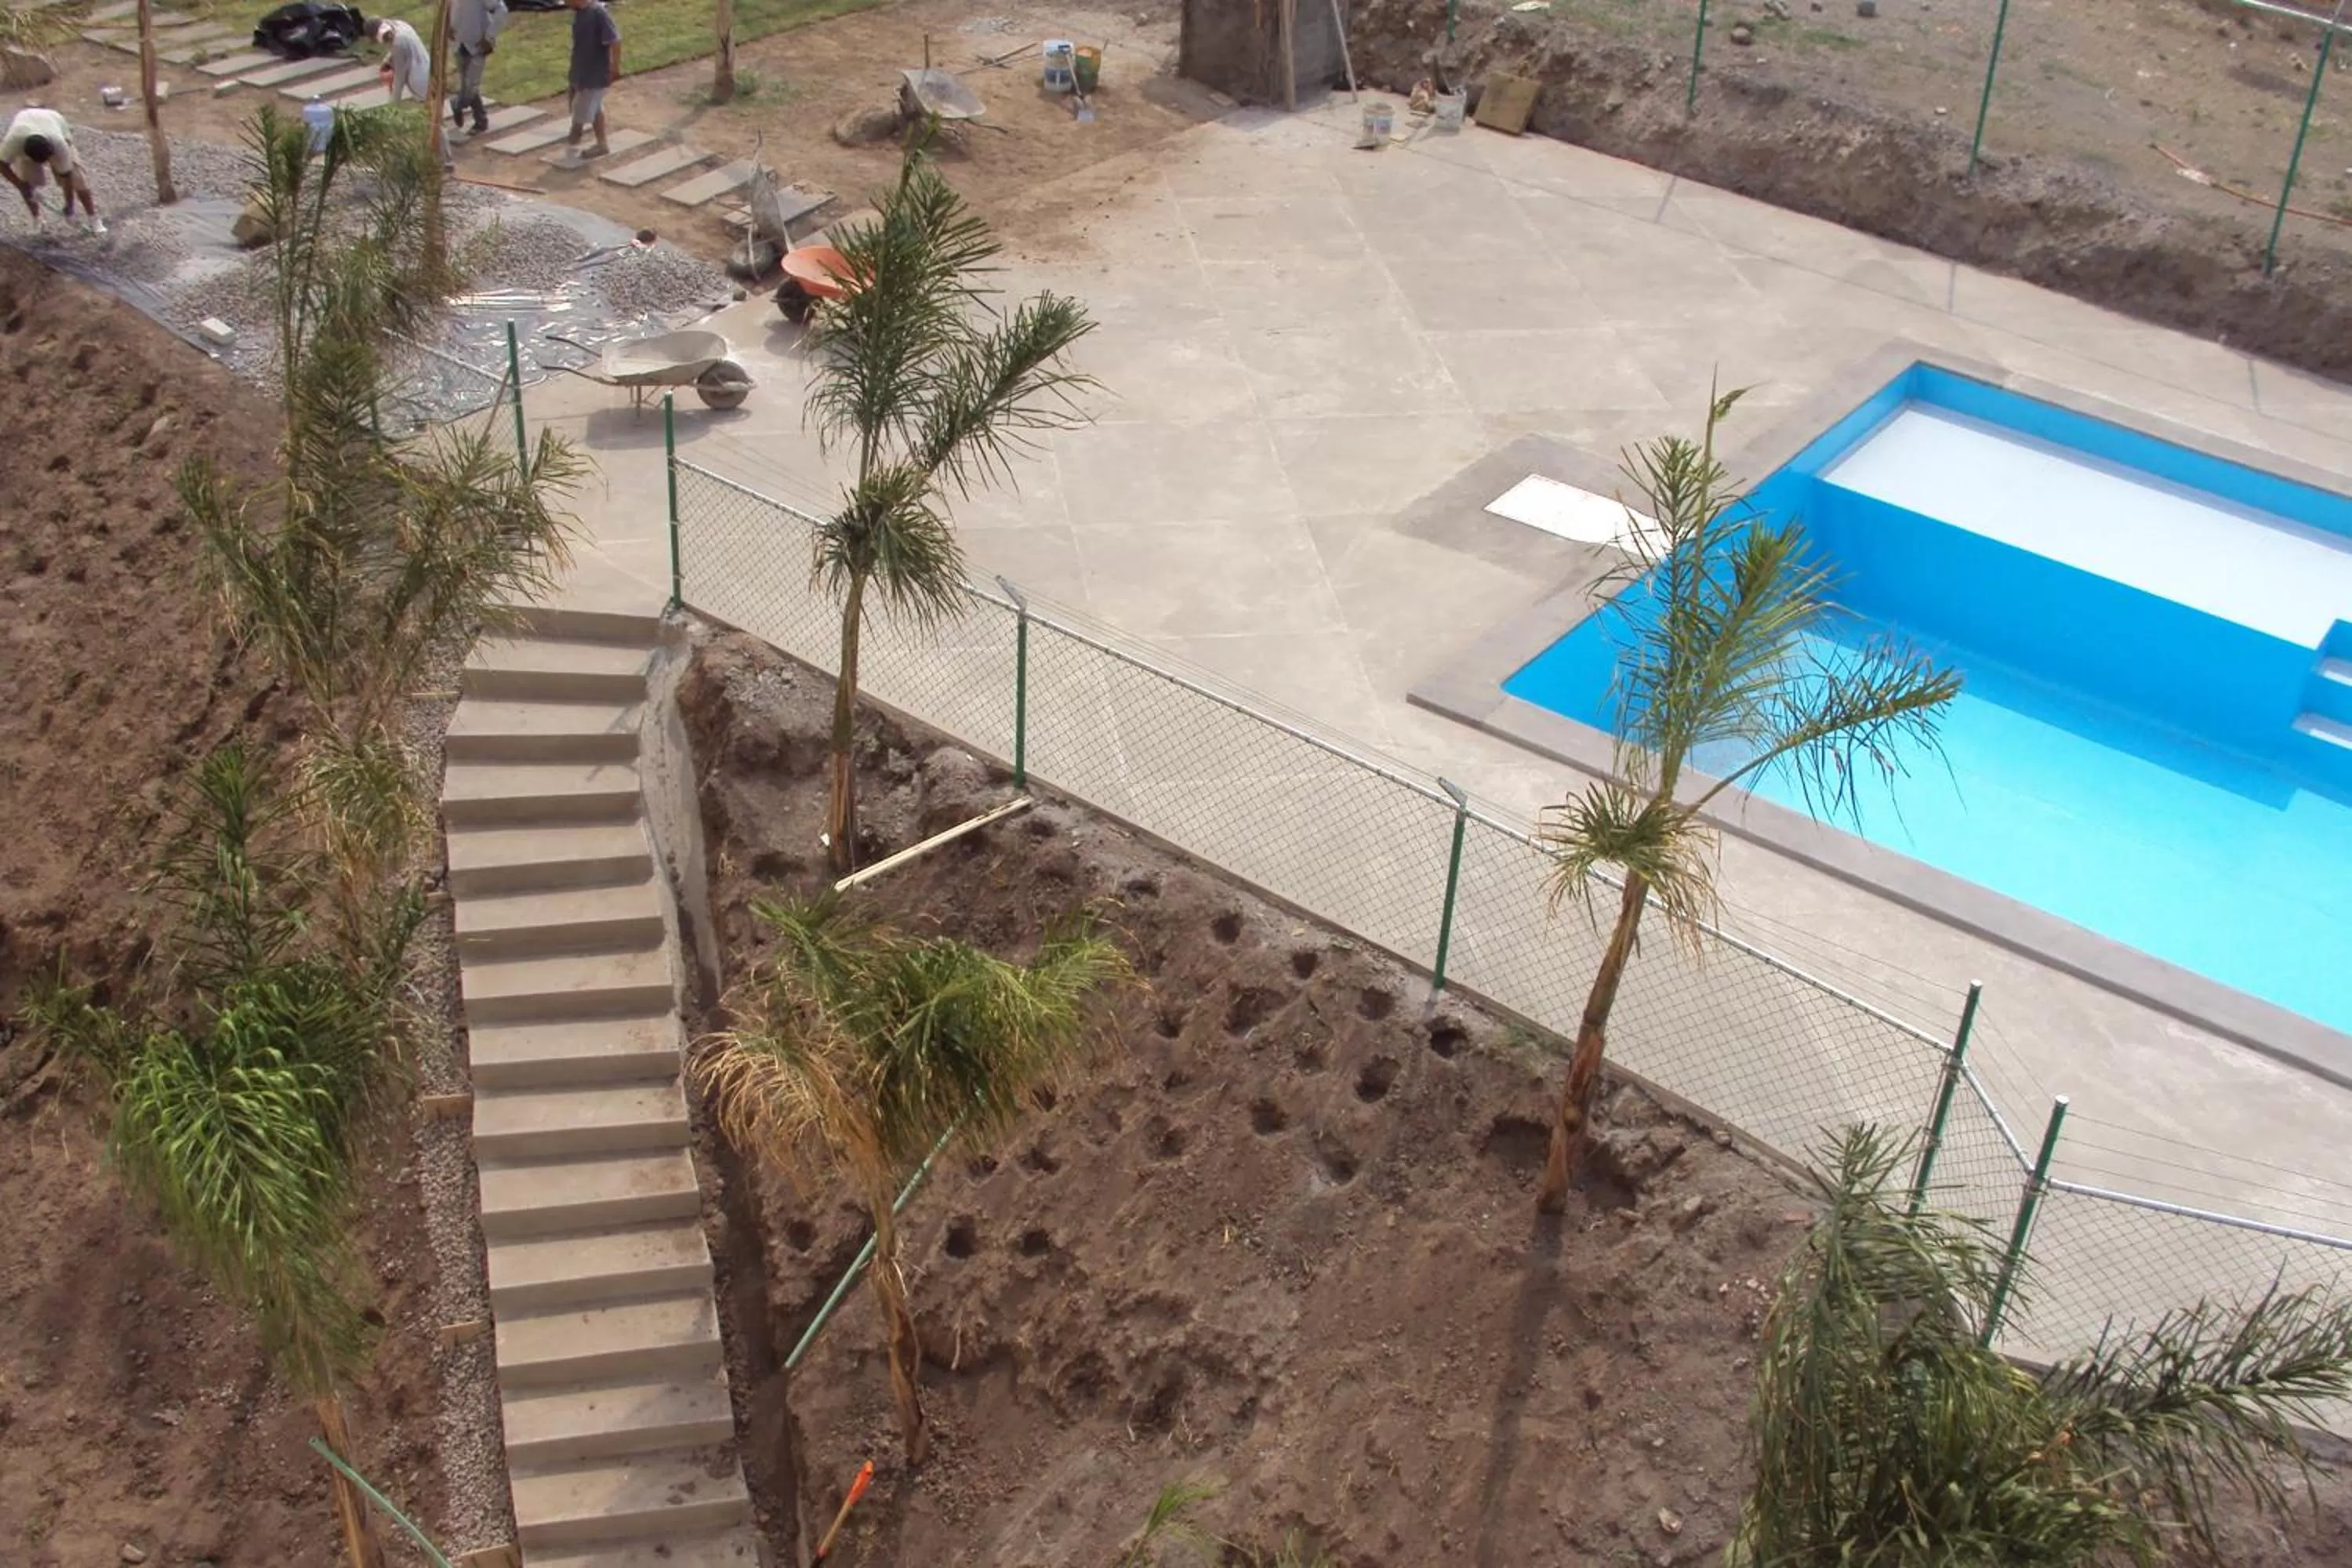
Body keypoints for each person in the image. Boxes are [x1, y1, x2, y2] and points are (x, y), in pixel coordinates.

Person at [0, 107, 101, 234]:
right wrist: (21, 185)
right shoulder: (13, 142)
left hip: (53, 121)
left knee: (78, 178)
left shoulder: (59, 144)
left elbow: (67, 177)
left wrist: (69, 207)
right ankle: (38, 220)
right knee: (25, 179)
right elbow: (2, 165)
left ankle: (94, 219)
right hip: (25, 122)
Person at [565, 0, 621, 159]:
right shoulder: (580, 14)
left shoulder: (598, 14)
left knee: (583, 108)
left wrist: (614, 68)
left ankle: (578, 133)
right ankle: (598, 142)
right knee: (591, 106)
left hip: (594, 72)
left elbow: (615, 41)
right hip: (580, 71)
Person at [449, 0, 508, 138]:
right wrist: (448, 26)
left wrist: (489, 36)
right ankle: (481, 121)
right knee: (468, 85)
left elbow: (502, 10)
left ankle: (457, 104)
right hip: (459, 43)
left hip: (478, 45)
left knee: (470, 88)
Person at [375, 17, 430, 106]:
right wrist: (387, 60)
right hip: (427, 67)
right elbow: (400, 49)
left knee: (429, 111)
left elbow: (399, 77)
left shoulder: (398, 44)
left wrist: (393, 104)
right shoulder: (401, 25)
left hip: (421, 82)